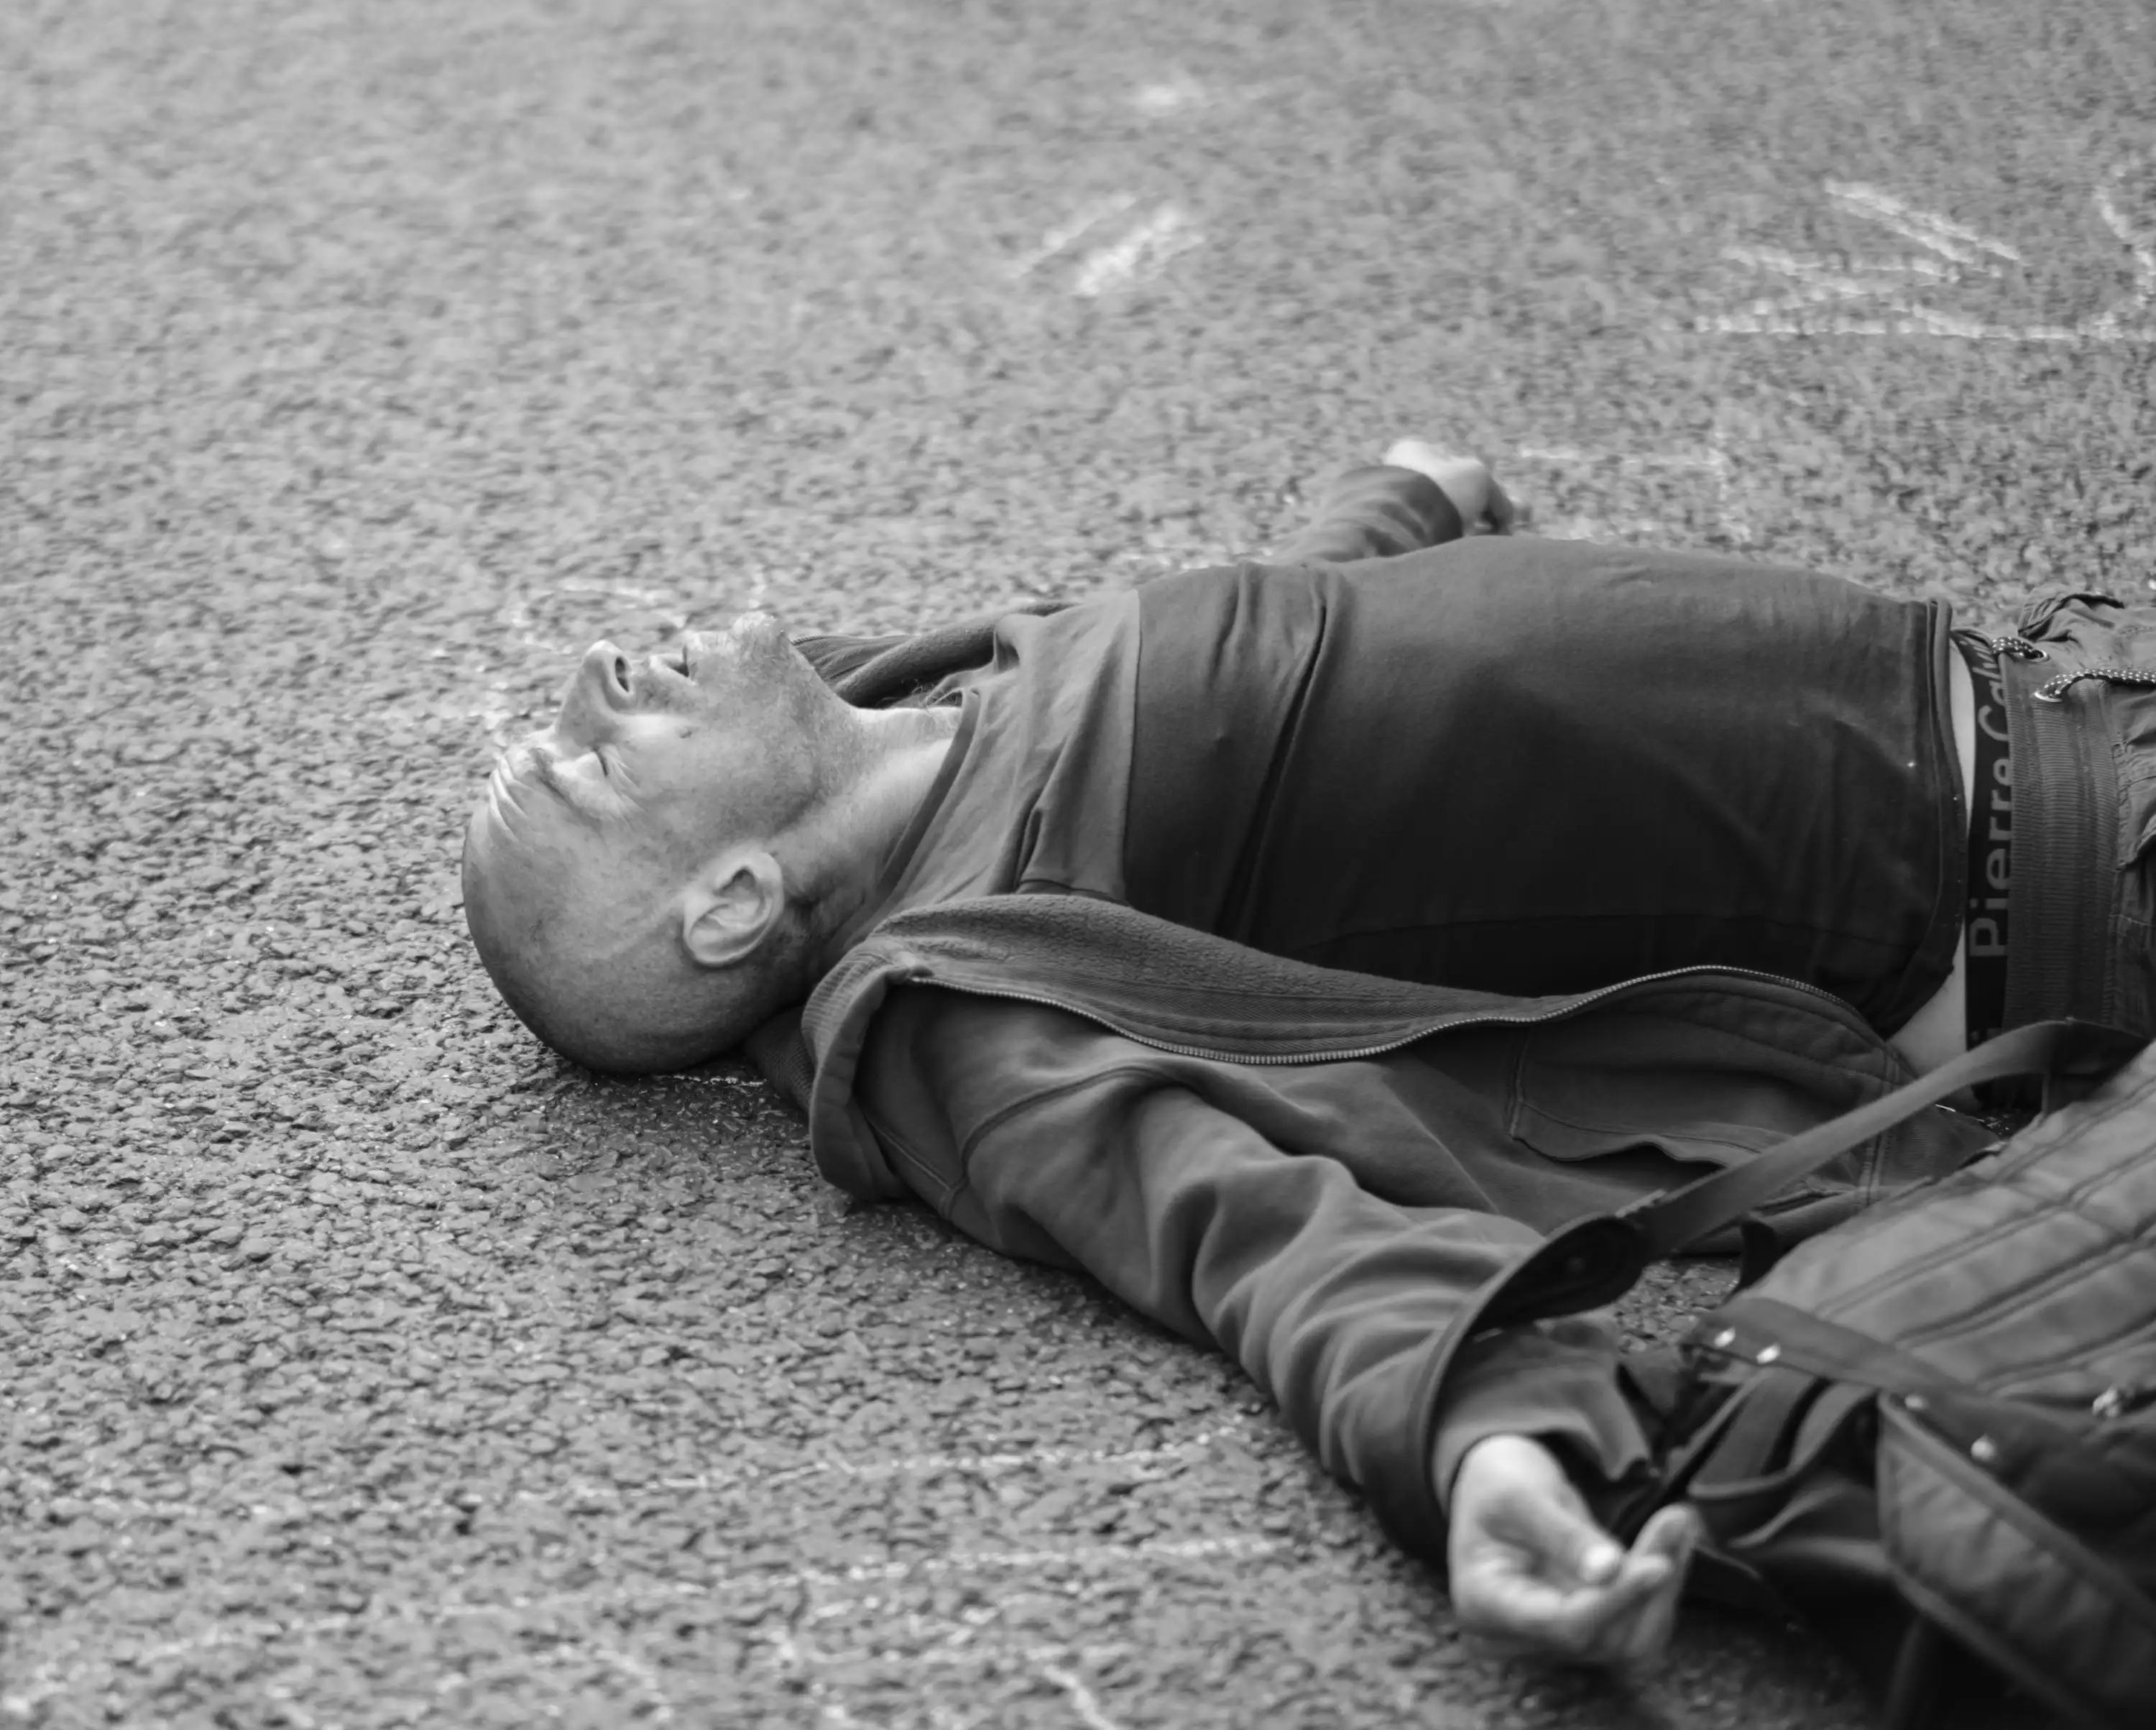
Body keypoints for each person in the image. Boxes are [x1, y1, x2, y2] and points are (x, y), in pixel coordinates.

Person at [461, 442, 2156, 1675]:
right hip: (2064, 887)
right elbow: (1245, 1229)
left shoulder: (925, 712)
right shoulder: (965, 1003)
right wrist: (1480, 1440)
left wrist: (1397, 511)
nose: (596, 681)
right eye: (600, 763)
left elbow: (1263, 658)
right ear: (735, 902)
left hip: (2077, 707)